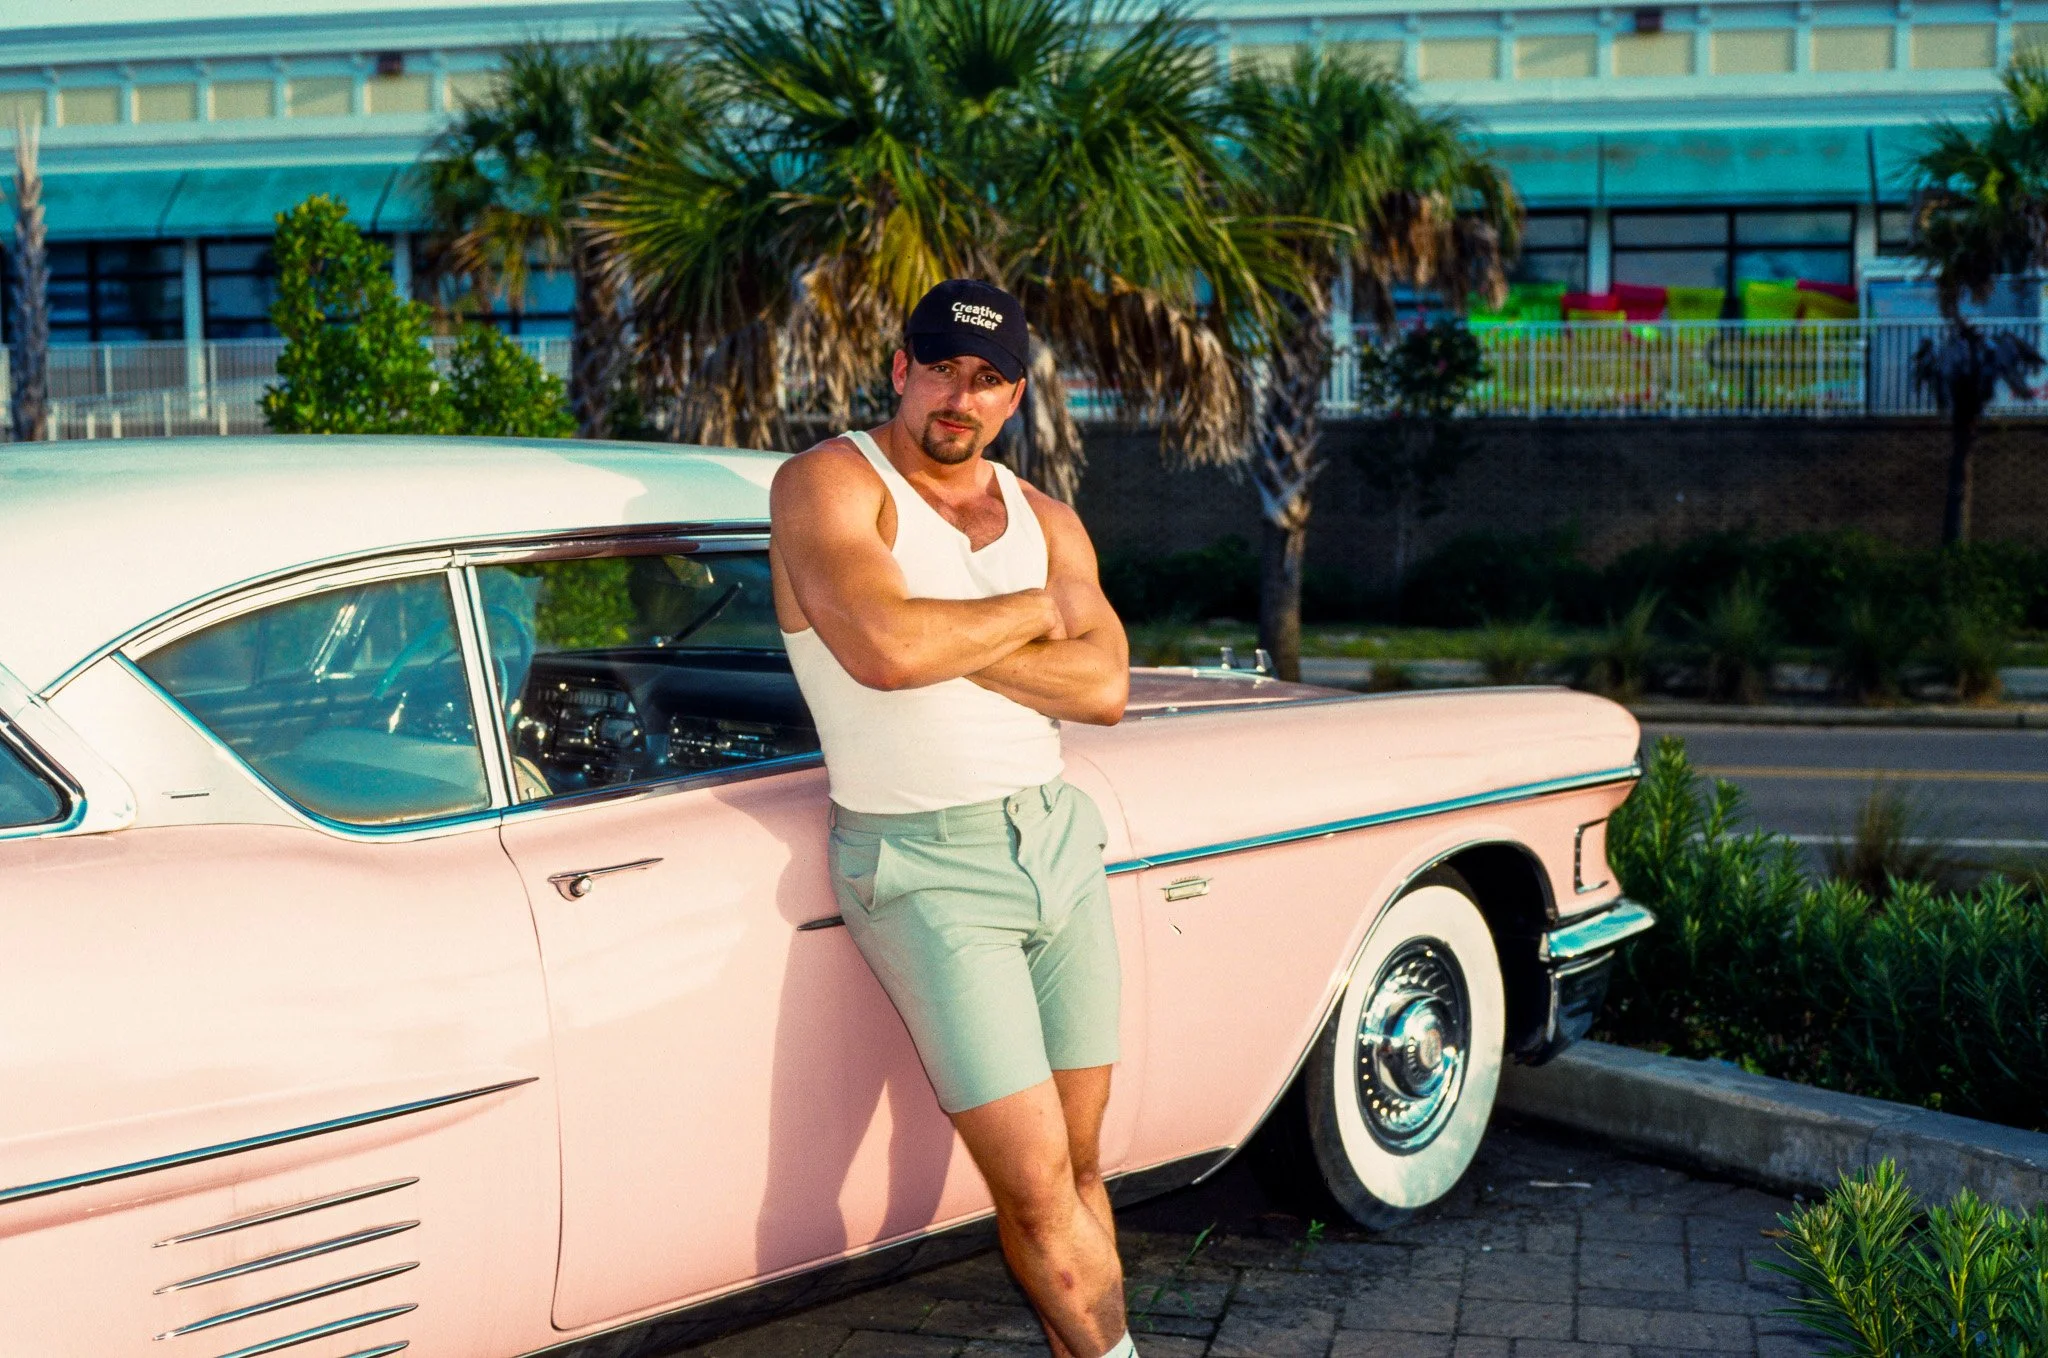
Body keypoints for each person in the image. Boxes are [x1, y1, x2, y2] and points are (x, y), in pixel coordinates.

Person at [769, 278, 1137, 1358]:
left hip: (1055, 838)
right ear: (899, 368)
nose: (957, 398)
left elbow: (1108, 685)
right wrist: (1039, 613)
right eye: (939, 368)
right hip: (924, 863)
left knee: (1076, 1170)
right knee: (1032, 1196)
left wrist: (953, 645)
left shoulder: (1047, 516)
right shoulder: (831, 485)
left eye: (984, 379)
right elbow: (883, 652)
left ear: (1014, 393)